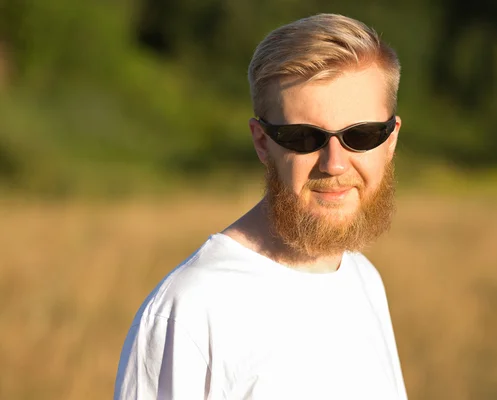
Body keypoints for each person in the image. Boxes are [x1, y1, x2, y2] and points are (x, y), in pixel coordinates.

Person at [114, 13, 408, 400]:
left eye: (362, 134)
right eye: (304, 137)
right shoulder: (189, 310)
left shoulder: (363, 276)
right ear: (262, 142)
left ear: (390, 141)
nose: (334, 163)